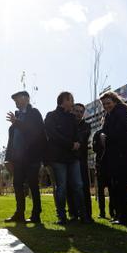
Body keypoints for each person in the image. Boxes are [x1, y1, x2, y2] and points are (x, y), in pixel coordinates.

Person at [45, 92, 89, 225]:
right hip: (58, 158)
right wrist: (71, 144)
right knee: (62, 187)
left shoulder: (72, 118)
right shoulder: (51, 116)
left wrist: (78, 143)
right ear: (64, 100)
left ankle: (83, 215)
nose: (73, 103)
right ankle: (61, 216)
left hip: (73, 158)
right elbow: (53, 135)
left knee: (78, 185)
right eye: (72, 100)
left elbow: (77, 135)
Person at [98, 91, 127, 225]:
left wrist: (106, 137)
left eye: (108, 103)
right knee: (117, 188)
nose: (106, 106)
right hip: (115, 157)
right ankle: (122, 216)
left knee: (120, 187)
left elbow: (121, 135)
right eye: (104, 104)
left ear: (115, 102)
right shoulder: (111, 116)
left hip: (121, 157)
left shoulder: (120, 115)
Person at [5, 90, 45, 224]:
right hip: (18, 159)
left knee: (33, 185)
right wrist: (8, 158)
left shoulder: (34, 113)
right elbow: (11, 140)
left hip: (32, 156)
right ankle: (19, 213)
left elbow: (36, 131)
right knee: (17, 185)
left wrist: (17, 122)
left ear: (26, 98)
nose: (15, 102)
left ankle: (36, 215)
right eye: (14, 100)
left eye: (17, 98)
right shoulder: (16, 117)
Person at [67, 103, 93, 222]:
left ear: (83, 114)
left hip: (81, 161)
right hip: (67, 160)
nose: (78, 113)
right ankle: (73, 214)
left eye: (80, 112)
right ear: (72, 111)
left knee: (83, 187)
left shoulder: (86, 126)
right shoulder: (67, 124)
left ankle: (87, 214)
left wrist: (71, 142)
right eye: (76, 111)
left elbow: (82, 139)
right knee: (69, 187)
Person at [92, 128, 115, 220]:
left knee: (112, 190)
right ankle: (102, 212)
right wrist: (101, 143)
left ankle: (112, 211)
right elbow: (94, 148)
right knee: (100, 191)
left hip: (110, 165)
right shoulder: (97, 134)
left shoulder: (111, 131)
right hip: (100, 165)